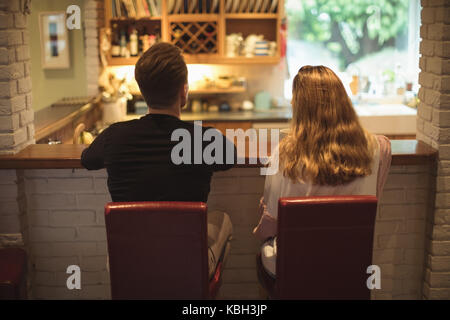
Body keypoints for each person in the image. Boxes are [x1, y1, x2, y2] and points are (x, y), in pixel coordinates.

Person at [81, 42, 236, 279]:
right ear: (184, 92)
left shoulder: (114, 136)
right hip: (187, 263)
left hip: (130, 262)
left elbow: (88, 159)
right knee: (223, 219)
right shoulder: (203, 139)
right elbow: (231, 158)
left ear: (143, 92)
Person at [253, 65, 392, 277]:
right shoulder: (377, 148)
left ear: (299, 105)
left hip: (294, 266)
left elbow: (272, 219)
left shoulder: (284, 153)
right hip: (350, 264)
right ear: (342, 101)